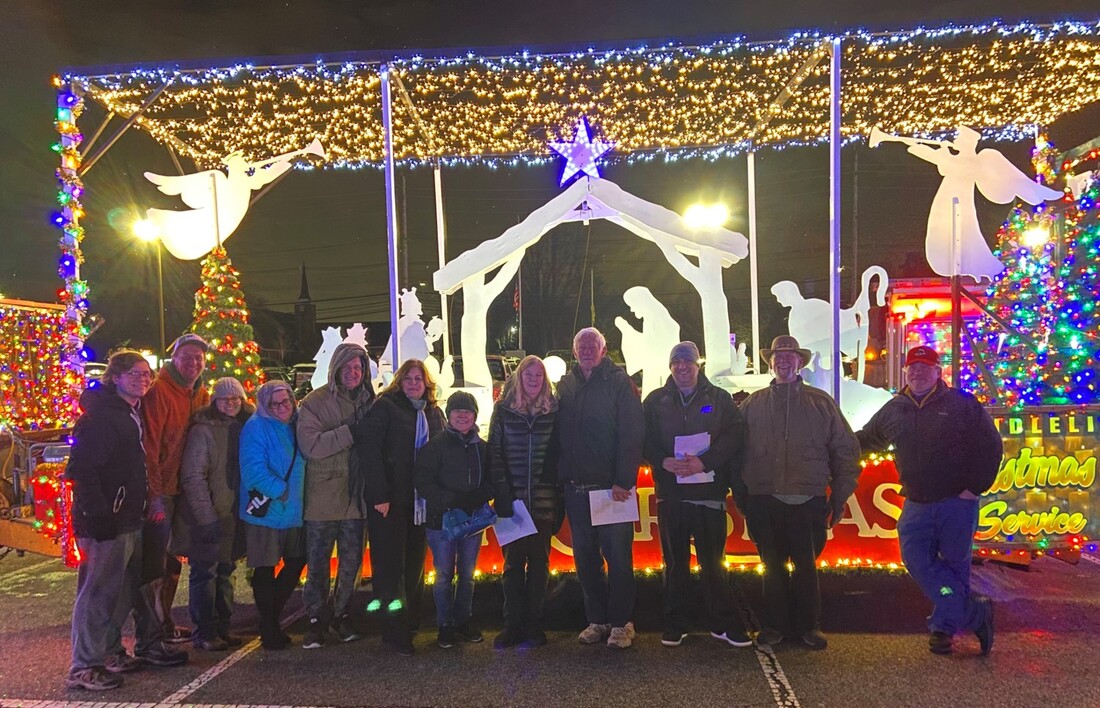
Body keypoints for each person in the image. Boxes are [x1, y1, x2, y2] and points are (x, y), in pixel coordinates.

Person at [857, 345, 1001, 656]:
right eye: (912, 367)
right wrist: (828, 444)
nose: (918, 372)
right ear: (905, 372)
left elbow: (990, 447)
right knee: (916, 560)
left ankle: (943, 629)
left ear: (938, 372)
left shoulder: (962, 404)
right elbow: (866, 439)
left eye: (925, 367)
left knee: (954, 565)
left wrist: (974, 488)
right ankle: (973, 614)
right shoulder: (894, 409)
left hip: (957, 502)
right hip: (917, 503)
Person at [736, 335, 861, 651]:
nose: (784, 361)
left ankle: (809, 627)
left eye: (790, 355)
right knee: (772, 568)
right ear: (770, 362)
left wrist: (840, 496)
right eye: (778, 356)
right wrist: (744, 499)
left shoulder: (821, 403)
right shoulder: (752, 405)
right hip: (764, 500)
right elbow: (734, 451)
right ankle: (774, 627)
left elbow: (845, 450)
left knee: (806, 566)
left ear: (800, 362)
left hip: (808, 500)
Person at [643, 342, 751, 649]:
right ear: (670, 366)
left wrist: (706, 461)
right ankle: (676, 623)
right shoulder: (655, 401)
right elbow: (642, 438)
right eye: (676, 362)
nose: (682, 367)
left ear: (698, 365)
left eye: (687, 361)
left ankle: (723, 623)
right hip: (672, 495)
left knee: (713, 563)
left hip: (709, 494)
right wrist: (660, 460)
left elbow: (735, 434)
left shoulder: (719, 399)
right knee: (675, 563)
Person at [65, 351, 154, 690]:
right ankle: (84, 666)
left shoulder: (130, 412)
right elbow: (82, 471)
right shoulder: (100, 417)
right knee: (98, 592)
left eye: (146, 374)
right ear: (115, 377)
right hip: (106, 522)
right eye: (134, 374)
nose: (142, 379)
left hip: (129, 516)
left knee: (121, 591)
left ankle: (110, 652)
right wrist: (98, 516)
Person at [556, 327, 645, 649]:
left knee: (619, 559)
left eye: (594, 345)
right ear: (574, 350)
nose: (588, 350)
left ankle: (622, 623)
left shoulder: (619, 383)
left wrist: (625, 480)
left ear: (604, 350)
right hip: (576, 490)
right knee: (586, 560)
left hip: (611, 490)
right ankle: (597, 620)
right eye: (583, 345)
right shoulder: (565, 385)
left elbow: (633, 432)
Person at [355, 359, 445, 656]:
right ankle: (393, 628)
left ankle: (410, 620)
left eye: (419, 378)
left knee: (414, 565)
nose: (414, 383)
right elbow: (370, 451)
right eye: (408, 378)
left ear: (427, 383)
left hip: (420, 503)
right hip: (390, 502)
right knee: (390, 566)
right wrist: (380, 494)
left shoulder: (432, 412)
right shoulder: (385, 408)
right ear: (399, 382)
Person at [297, 343, 374, 649]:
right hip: (323, 498)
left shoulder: (371, 402)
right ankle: (315, 620)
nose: (353, 373)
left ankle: (342, 614)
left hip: (357, 499)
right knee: (317, 563)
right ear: (336, 369)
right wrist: (351, 432)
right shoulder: (315, 402)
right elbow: (311, 446)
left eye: (359, 368)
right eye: (348, 368)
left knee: (351, 563)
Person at [172, 377, 253, 651]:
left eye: (235, 399)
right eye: (225, 399)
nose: (231, 404)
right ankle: (204, 631)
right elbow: (193, 476)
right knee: (205, 573)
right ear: (215, 401)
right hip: (209, 514)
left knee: (227, 571)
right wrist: (205, 517)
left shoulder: (245, 426)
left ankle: (223, 626)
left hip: (234, 513)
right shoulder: (203, 431)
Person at [141, 332, 210, 651]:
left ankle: (164, 622)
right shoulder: (160, 392)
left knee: (173, 562)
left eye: (200, 358)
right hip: (163, 491)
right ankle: (151, 634)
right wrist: (154, 492)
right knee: (156, 564)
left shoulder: (199, 392)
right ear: (175, 358)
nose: (194, 362)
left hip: (183, 488)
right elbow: (150, 445)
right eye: (188, 356)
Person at [487, 355, 561, 649]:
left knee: (540, 565)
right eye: (528, 374)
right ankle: (512, 624)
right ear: (518, 377)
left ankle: (534, 624)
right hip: (513, 501)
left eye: (538, 376)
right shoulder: (504, 411)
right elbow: (494, 452)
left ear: (545, 380)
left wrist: (559, 497)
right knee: (513, 565)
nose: (533, 380)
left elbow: (559, 455)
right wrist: (502, 493)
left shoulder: (553, 412)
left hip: (543, 501)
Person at [414, 391, 495, 649]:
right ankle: (444, 624)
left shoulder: (483, 448)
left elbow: (493, 479)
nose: (462, 415)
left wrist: (479, 497)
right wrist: (448, 499)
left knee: (468, 575)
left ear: (474, 417)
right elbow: (423, 480)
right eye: (458, 411)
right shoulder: (435, 446)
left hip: (472, 521)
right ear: (449, 415)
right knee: (443, 574)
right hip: (442, 521)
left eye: (468, 411)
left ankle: (463, 621)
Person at [240, 380, 308, 650]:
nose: (282, 407)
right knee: (266, 568)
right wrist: (281, 490)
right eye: (275, 403)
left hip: (294, 510)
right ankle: (269, 625)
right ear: (265, 405)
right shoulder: (256, 428)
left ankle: (270, 618)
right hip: (268, 512)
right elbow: (252, 470)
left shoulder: (296, 424)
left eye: (286, 401)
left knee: (296, 560)